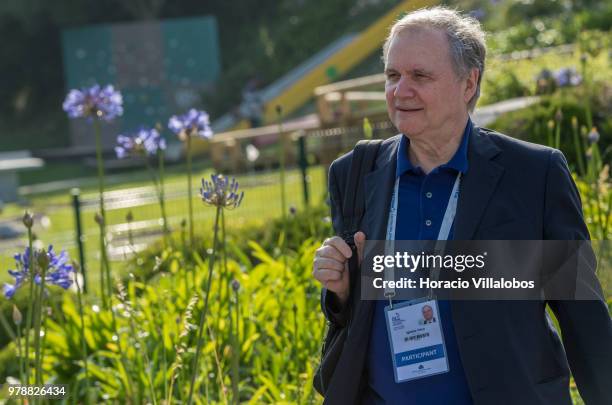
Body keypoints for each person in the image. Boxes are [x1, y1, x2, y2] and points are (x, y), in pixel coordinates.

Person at [312, 6, 612, 405]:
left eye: (420, 76)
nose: (400, 91)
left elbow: (583, 317)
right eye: (392, 75)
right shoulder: (353, 173)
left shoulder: (533, 174)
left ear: (468, 83)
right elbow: (359, 311)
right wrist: (342, 292)